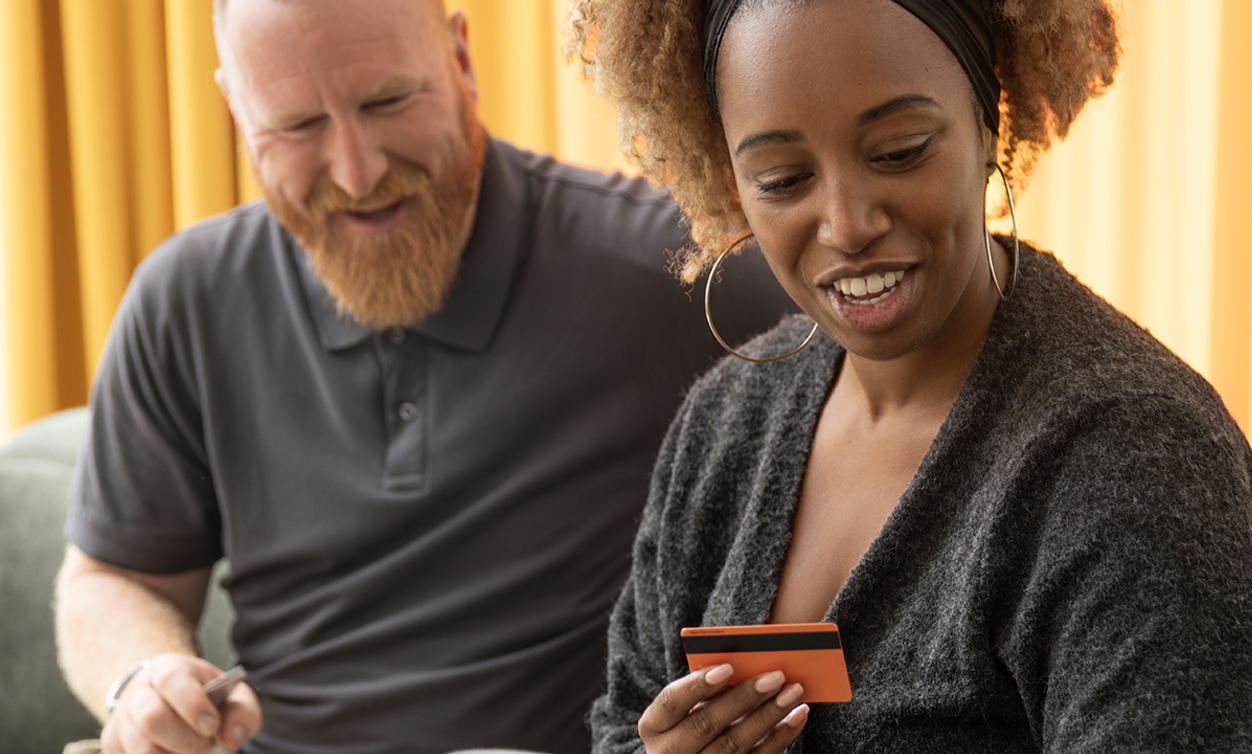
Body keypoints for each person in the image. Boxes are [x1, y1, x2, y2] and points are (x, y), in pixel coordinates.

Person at [53, 1, 794, 753]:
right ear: (237, 112)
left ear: (461, 61)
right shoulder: (185, 298)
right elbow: (114, 577)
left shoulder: (675, 270)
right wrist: (141, 678)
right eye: (297, 124)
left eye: (387, 101)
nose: (356, 169)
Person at [567, 0, 1252, 751]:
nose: (847, 225)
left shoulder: (1137, 456)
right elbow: (626, 719)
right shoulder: (723, 426)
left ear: (990, 113)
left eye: (900, 149)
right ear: (728, 178)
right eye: (784, 179)